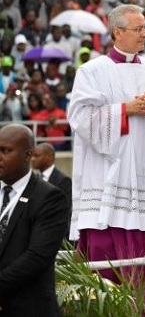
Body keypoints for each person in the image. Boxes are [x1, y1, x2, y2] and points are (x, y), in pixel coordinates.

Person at [67, 4, 145, 314]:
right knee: (109, 256)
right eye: (139, 29)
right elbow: (79, 119)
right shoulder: (92, 71)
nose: (144, 34)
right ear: (117, 32)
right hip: (109, 177)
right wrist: (125, 110)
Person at [0, 124, 69, 315]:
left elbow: (36, 258)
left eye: (5, 151)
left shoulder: (49, 197)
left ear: (28, 155)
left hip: (29, 308)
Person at [32, 142, 72, 238]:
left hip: (56, 236)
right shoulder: (33, 179)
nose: (32, 159)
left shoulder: (63, 180)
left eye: (37, 156)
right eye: (32, 156)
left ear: (50, 157)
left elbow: (66, 210)